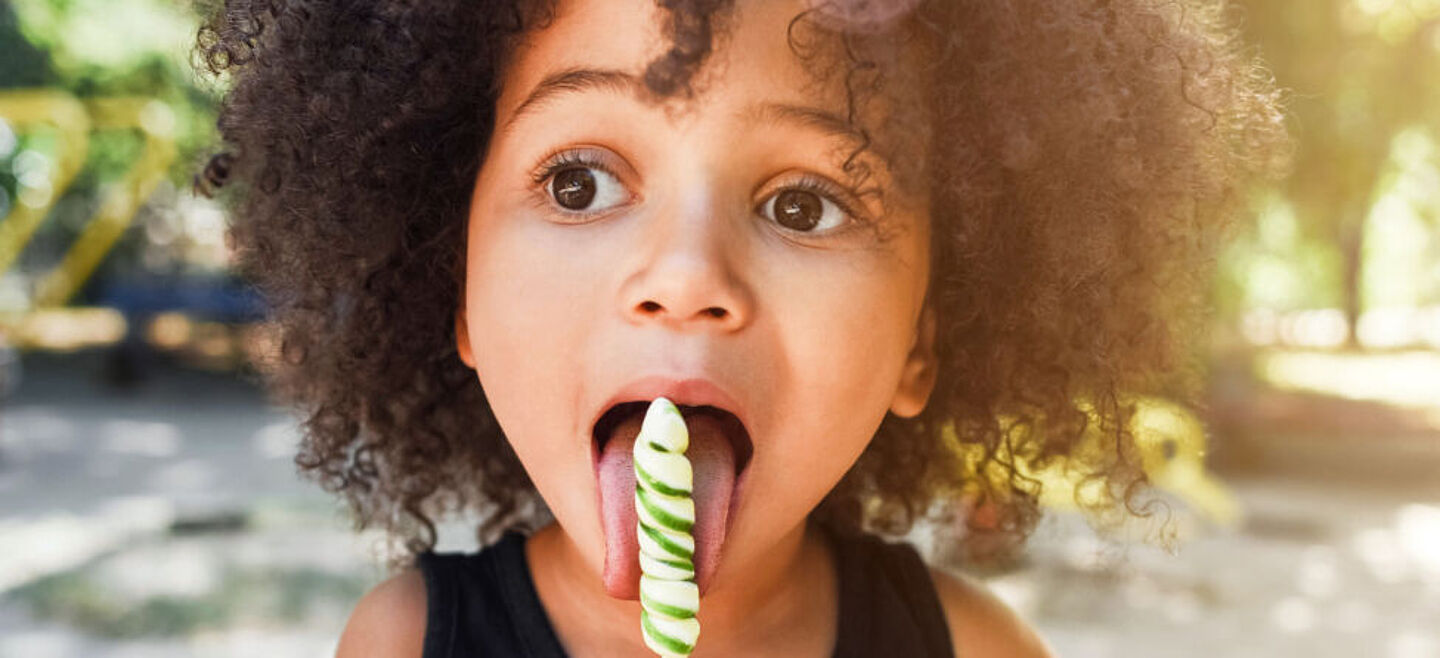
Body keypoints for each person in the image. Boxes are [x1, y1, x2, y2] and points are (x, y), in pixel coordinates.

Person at [193, 0, 1288, 655]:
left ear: (921, 344)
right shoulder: (405, 646)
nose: (685, 276)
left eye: (804, 205)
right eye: (578, 183)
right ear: (456, 293)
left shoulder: (972, 650)